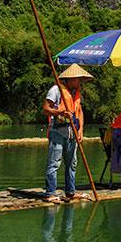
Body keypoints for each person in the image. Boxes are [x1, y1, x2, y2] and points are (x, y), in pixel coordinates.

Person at [42, 64, 92, 203]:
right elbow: (46, 108)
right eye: (76, 80)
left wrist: (81, 128)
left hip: (72, 133)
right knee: (54, 163)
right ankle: (50, 193)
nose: (78, 82)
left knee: (72, 163)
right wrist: (59, 112)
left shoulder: (76, 93)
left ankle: (70, 192)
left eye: (79, 80)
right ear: (69, 79)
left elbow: (79, 112)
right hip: (58, 132)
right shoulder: (56, 90)